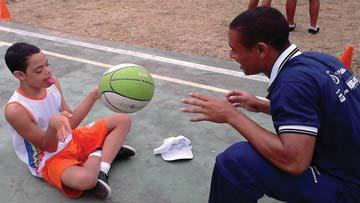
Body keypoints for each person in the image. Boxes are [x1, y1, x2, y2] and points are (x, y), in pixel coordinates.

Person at [182, 7, 360, 202]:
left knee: (236, 162)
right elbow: (320, 113)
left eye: (234, 49)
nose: (231, 55)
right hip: (350, 168)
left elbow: (295, 161)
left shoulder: (291, 83)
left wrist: (231, 116)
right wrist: (261, 105)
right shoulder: (319, 60)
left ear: (261, 50)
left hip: (347, 188)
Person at [4, 42, 136, 200]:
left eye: (47, 64)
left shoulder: (52, 85)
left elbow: (71, 122)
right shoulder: (16, 110)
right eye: (39, 70)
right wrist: (53, 125)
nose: (47, 71)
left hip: (71, 137)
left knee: (123, 120)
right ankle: (100, 151)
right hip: (49, 158)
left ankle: (102, 169)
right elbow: (49, 147)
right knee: (85, 180)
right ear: (20, 75)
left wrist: (93, 95)